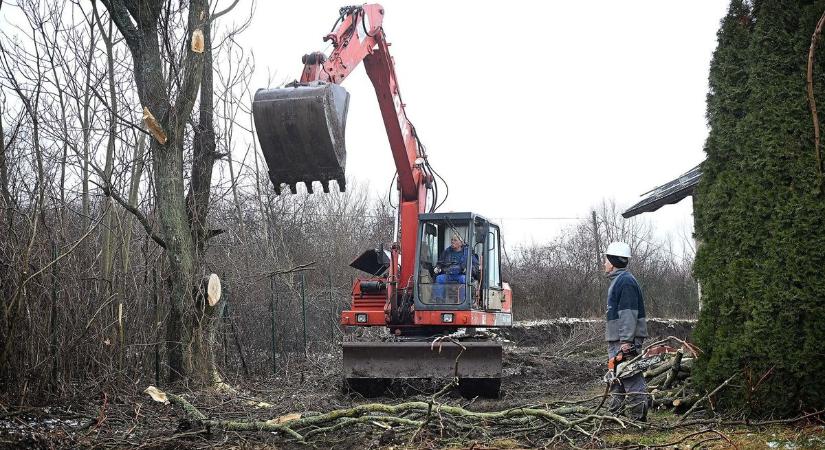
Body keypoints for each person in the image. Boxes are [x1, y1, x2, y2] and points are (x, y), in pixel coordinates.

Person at [604, 241, 649, 421]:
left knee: (630, 375)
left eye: (606, 260)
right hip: (619, 338)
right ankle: (615, 413)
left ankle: (639, 417)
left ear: (614, 261)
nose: (604, 264)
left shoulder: (625, 282)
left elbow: (628, 314)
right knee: (618, 375)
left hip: (624, 339)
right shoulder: (619, 281)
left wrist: (626, 342)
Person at [431, 233, 478, 301]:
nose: (452, 241)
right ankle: (439, 301)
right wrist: (438, 267)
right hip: (449, 274)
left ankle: (463, 301)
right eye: (452, 240)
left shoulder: (468, 253)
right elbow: (440, 263)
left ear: (461, 243)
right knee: (439, 278)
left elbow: (476, 266)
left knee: (464, 279)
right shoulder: (447, 251)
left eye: (455, 240)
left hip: (461, 275)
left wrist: (466, 269)